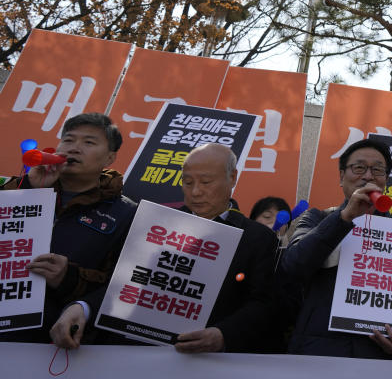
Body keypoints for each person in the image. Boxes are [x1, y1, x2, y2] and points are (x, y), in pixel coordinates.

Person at [52, 142, 282, 353]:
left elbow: (264, 303)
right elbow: (122, 284)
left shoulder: (257, 238)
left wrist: (223, 334)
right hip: (130, 352)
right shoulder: (156, 224)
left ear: (232, 178)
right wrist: (82, 308)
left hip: (201, 360)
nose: (195, 192)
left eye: (206, 182)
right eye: (188, 182)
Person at [281, 138, 392, 358]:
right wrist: (344, 218)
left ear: (385, 179)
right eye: (359, 168)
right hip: (318, 353)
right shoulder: (316, 218)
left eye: (377, 170)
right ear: (342, 177)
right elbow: (293, 265)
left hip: (378, 356)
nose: (368, 176)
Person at [1, 113, 136, 344]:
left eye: (89, 142)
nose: (74, 148)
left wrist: (70, 279)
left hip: (50, 342)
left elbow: (125, 287)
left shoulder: (127, 214)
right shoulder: (23, 187)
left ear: (110, 158)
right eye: (69, 140)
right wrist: (30, 189)